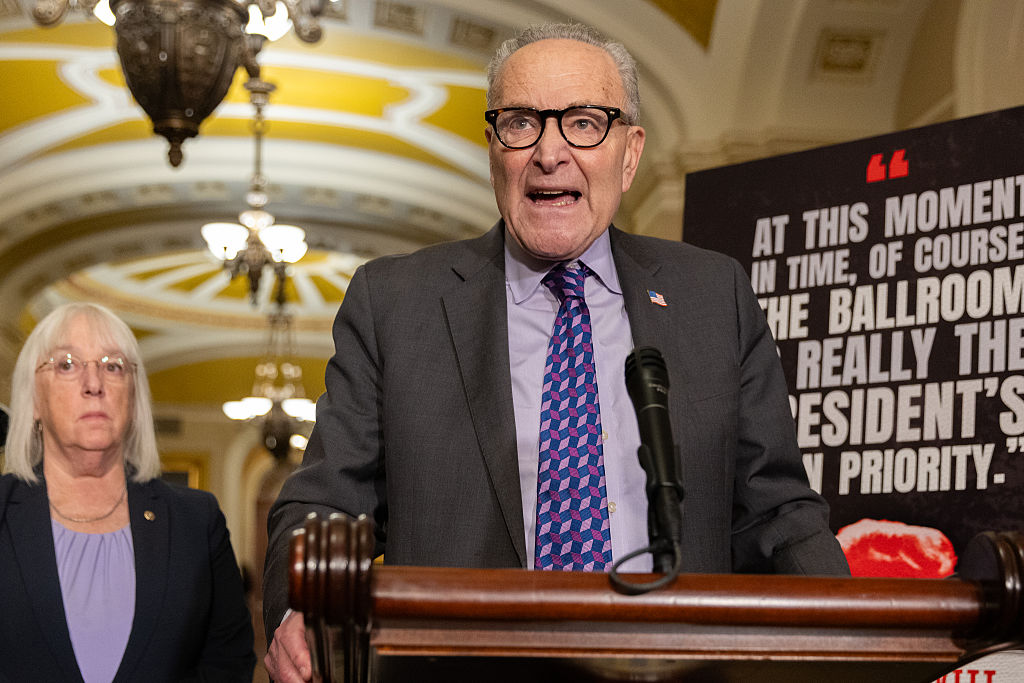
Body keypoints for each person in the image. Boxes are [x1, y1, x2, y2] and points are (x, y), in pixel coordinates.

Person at [263, 22, 850, 681]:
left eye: (583, 122)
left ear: (630, 154)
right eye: (521, 123)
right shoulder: (395, 302)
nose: (550, 152)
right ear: (494, 149)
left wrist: (853, 634)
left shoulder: (714, 294)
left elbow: (776, 508)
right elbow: (322, 500)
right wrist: (298, 605)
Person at [0, 302, 255, 682]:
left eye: (113, 365)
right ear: (34, 399)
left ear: (133, 399)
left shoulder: (196, 521)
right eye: (67, 364)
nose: (94, 383)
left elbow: (227, 664)